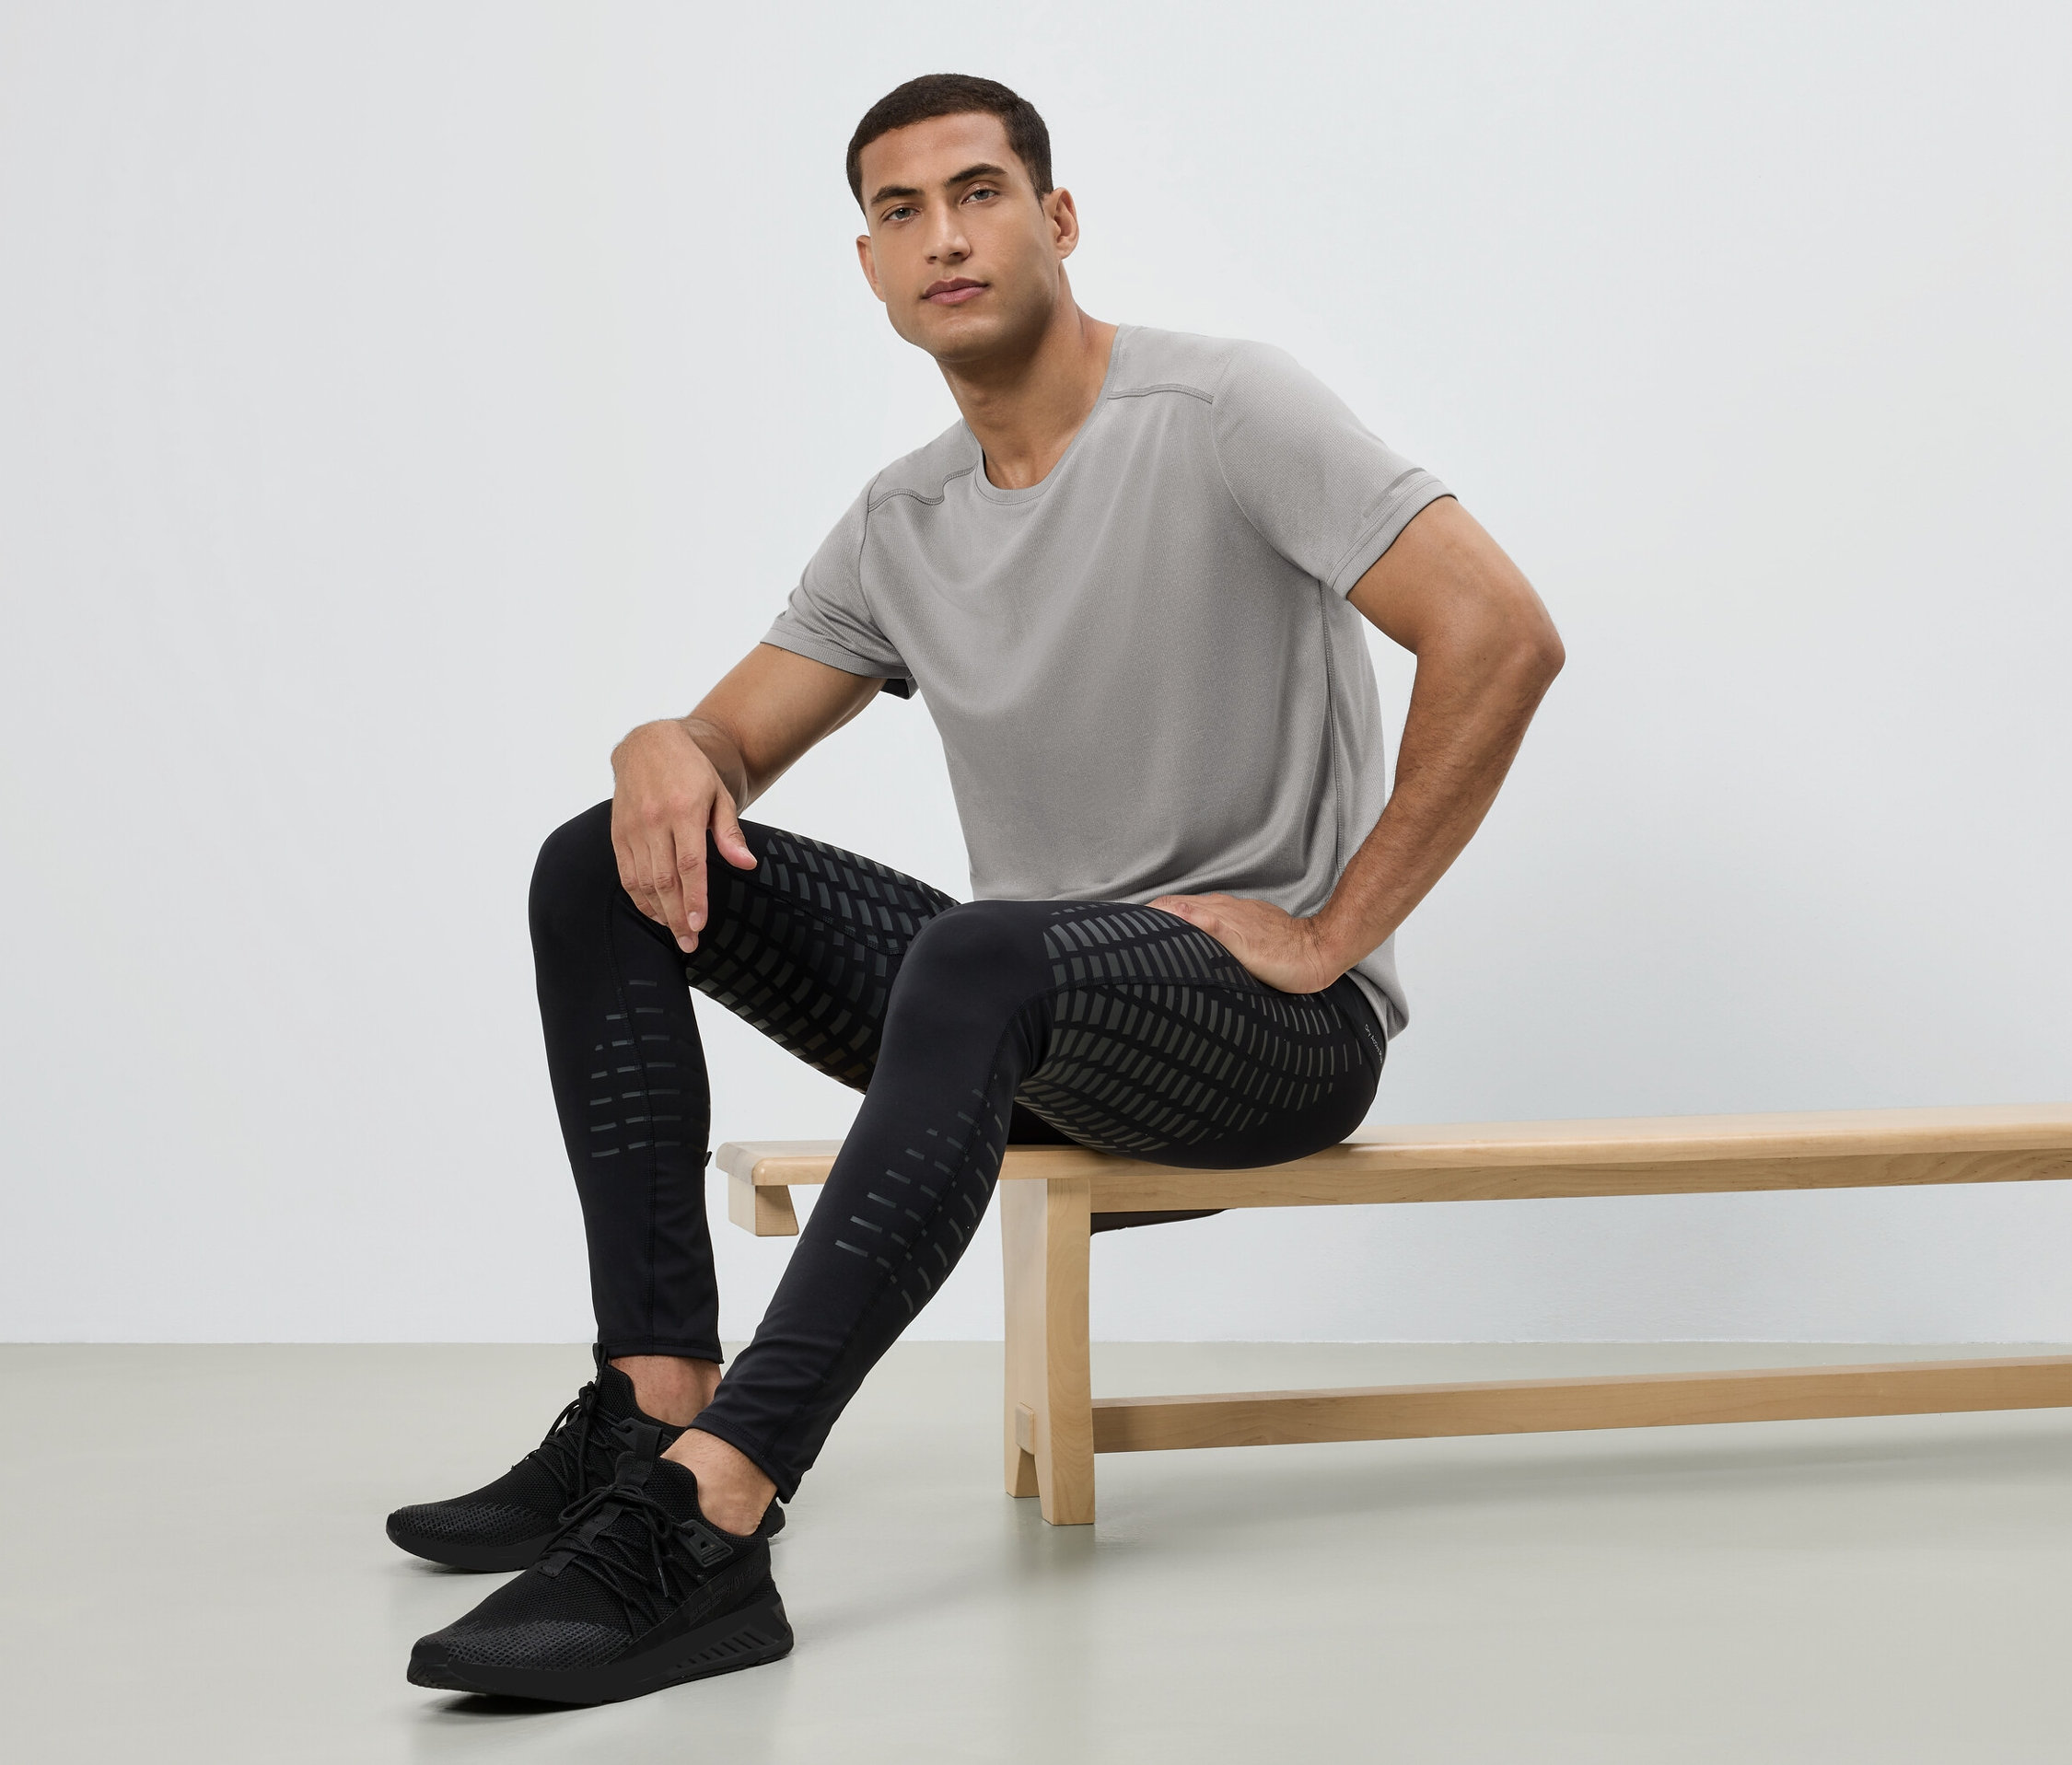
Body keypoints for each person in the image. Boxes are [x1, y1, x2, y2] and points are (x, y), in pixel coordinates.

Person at [393, 72, 1565, 1706]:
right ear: (870, 265)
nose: (942, 236)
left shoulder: (1223, 411)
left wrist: (1333, 933)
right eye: (901, 211)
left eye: (978, 193)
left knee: (981, 953)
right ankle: (648, 1411)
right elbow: (726, 743)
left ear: (1055, 218)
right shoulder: (903, 521)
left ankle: (713, 1515)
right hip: (1022, 1014)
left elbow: (1499, 632)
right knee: (601, 863)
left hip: (1265, 1033)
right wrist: (661, 741)